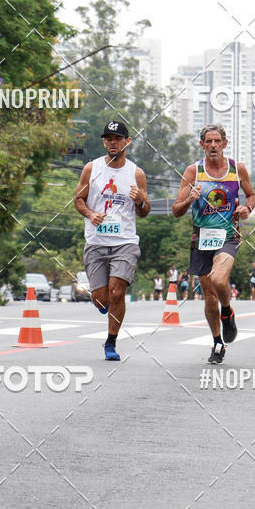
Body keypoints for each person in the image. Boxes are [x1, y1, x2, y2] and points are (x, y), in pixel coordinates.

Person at [172, 123, 255, 364]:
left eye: (217, 141)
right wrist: (190, 198)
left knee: (220, 280)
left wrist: (247, 208)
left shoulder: (236, 169)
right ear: (201, 145)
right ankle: (218, 343)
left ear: (224, 144)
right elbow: (176, 210)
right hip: (201, 239)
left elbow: (251, 194)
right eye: (208, 142)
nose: (212, 146)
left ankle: (227, 311)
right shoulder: (193, 172)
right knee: (209, 296)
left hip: (228, 235)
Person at [74, 120, 150, 360]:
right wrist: (90, 214)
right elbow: (78, 199)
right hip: (96, 241)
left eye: (117, 139)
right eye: (108, 139)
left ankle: (111, 343)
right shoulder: (91, 169)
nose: (112, 143)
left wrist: (140, 201)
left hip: (124, 242)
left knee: (117, 293)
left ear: (127, 142)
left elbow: (144, 211)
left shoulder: (136, 173)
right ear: (104, 142)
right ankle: (103, 304)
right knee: (101, 299)